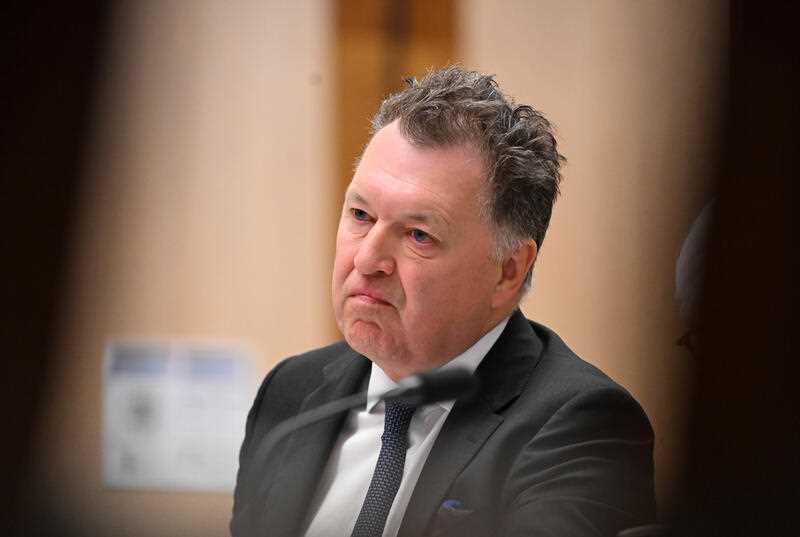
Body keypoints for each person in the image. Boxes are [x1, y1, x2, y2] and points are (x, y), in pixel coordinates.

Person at [231, 66, 656, 537]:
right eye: (360, 214)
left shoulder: (580, 426)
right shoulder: (292, 395)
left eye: (419, 235)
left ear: (507, 270)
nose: (368, 258)